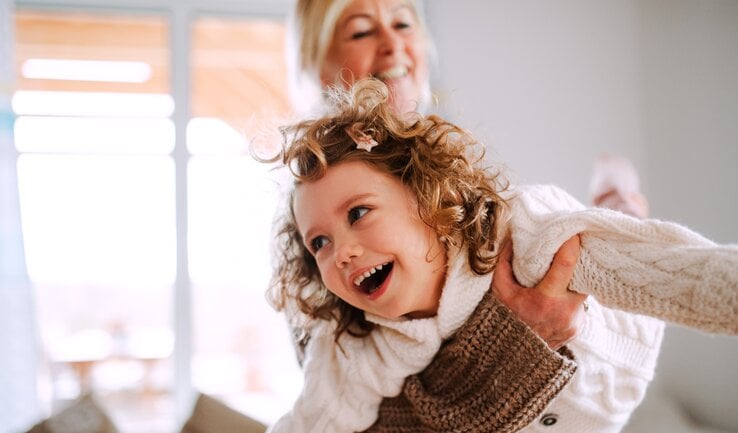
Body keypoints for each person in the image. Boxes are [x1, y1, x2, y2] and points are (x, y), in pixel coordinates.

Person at [264, 79, 738, 433]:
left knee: (606, 233)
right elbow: (312, 420)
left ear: (427, 198)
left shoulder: (514, 235)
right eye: (318, 243)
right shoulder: (357, 346)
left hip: (612, 362)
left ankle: (615, 197)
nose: (341, 251)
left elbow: (677, 276)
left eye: (360, 212)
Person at [286, 0, 587, 352]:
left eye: (402, 24)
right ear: (319, 65)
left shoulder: (468, 169)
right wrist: (517, 346)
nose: (393, 45)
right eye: (361, 31)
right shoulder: (306, 214)